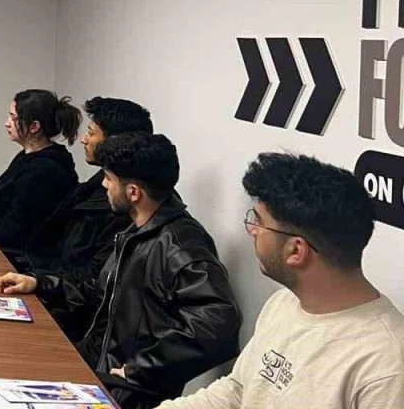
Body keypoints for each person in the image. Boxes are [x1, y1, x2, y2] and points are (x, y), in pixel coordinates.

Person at [0, 132, 240, 409]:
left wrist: (140, 368)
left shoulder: (181, 246)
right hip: (92, 368)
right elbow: (103, 292)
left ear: (134, 192)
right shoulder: (137, 231)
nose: (103, 185)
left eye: (108, 178)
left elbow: (220, 325)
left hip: (123, 392)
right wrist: (40, 283)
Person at [159, 153, 404, 408]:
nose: (252, 230)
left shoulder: (386, 365)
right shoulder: (283, 303)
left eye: (258, 221)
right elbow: (238, 390)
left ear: (296, 251)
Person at [8, 97, 152, 340]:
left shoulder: (124, 208)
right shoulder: (95, 188)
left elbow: (93, 282)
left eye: (91, 133)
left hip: (68, 314)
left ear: (115, 143)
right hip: (50, 288)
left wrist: (40, 282)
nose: (84, 139)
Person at [0, 89, 82, 253]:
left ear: (34, 127)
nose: (7, 123)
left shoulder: (45, 170)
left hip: (15, 254)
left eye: (14, 118)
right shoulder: (28, 157)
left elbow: (15, 229)